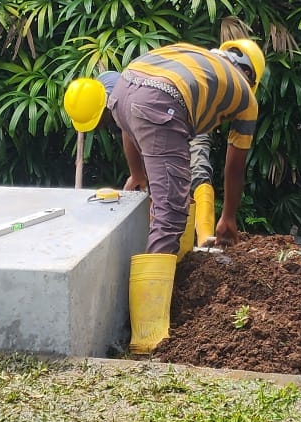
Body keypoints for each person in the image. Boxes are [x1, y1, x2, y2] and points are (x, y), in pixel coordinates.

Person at [108, 38, 267, 352]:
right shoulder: (245, 96)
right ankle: (147, 337)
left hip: (124, 89)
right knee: (171, 212)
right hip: (160, 101)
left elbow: (132, 120)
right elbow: (235, 165)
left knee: (170, 196)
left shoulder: (193, 58)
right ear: (252, 77)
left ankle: (175, 268)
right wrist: (228, 217)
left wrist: (137, 174)